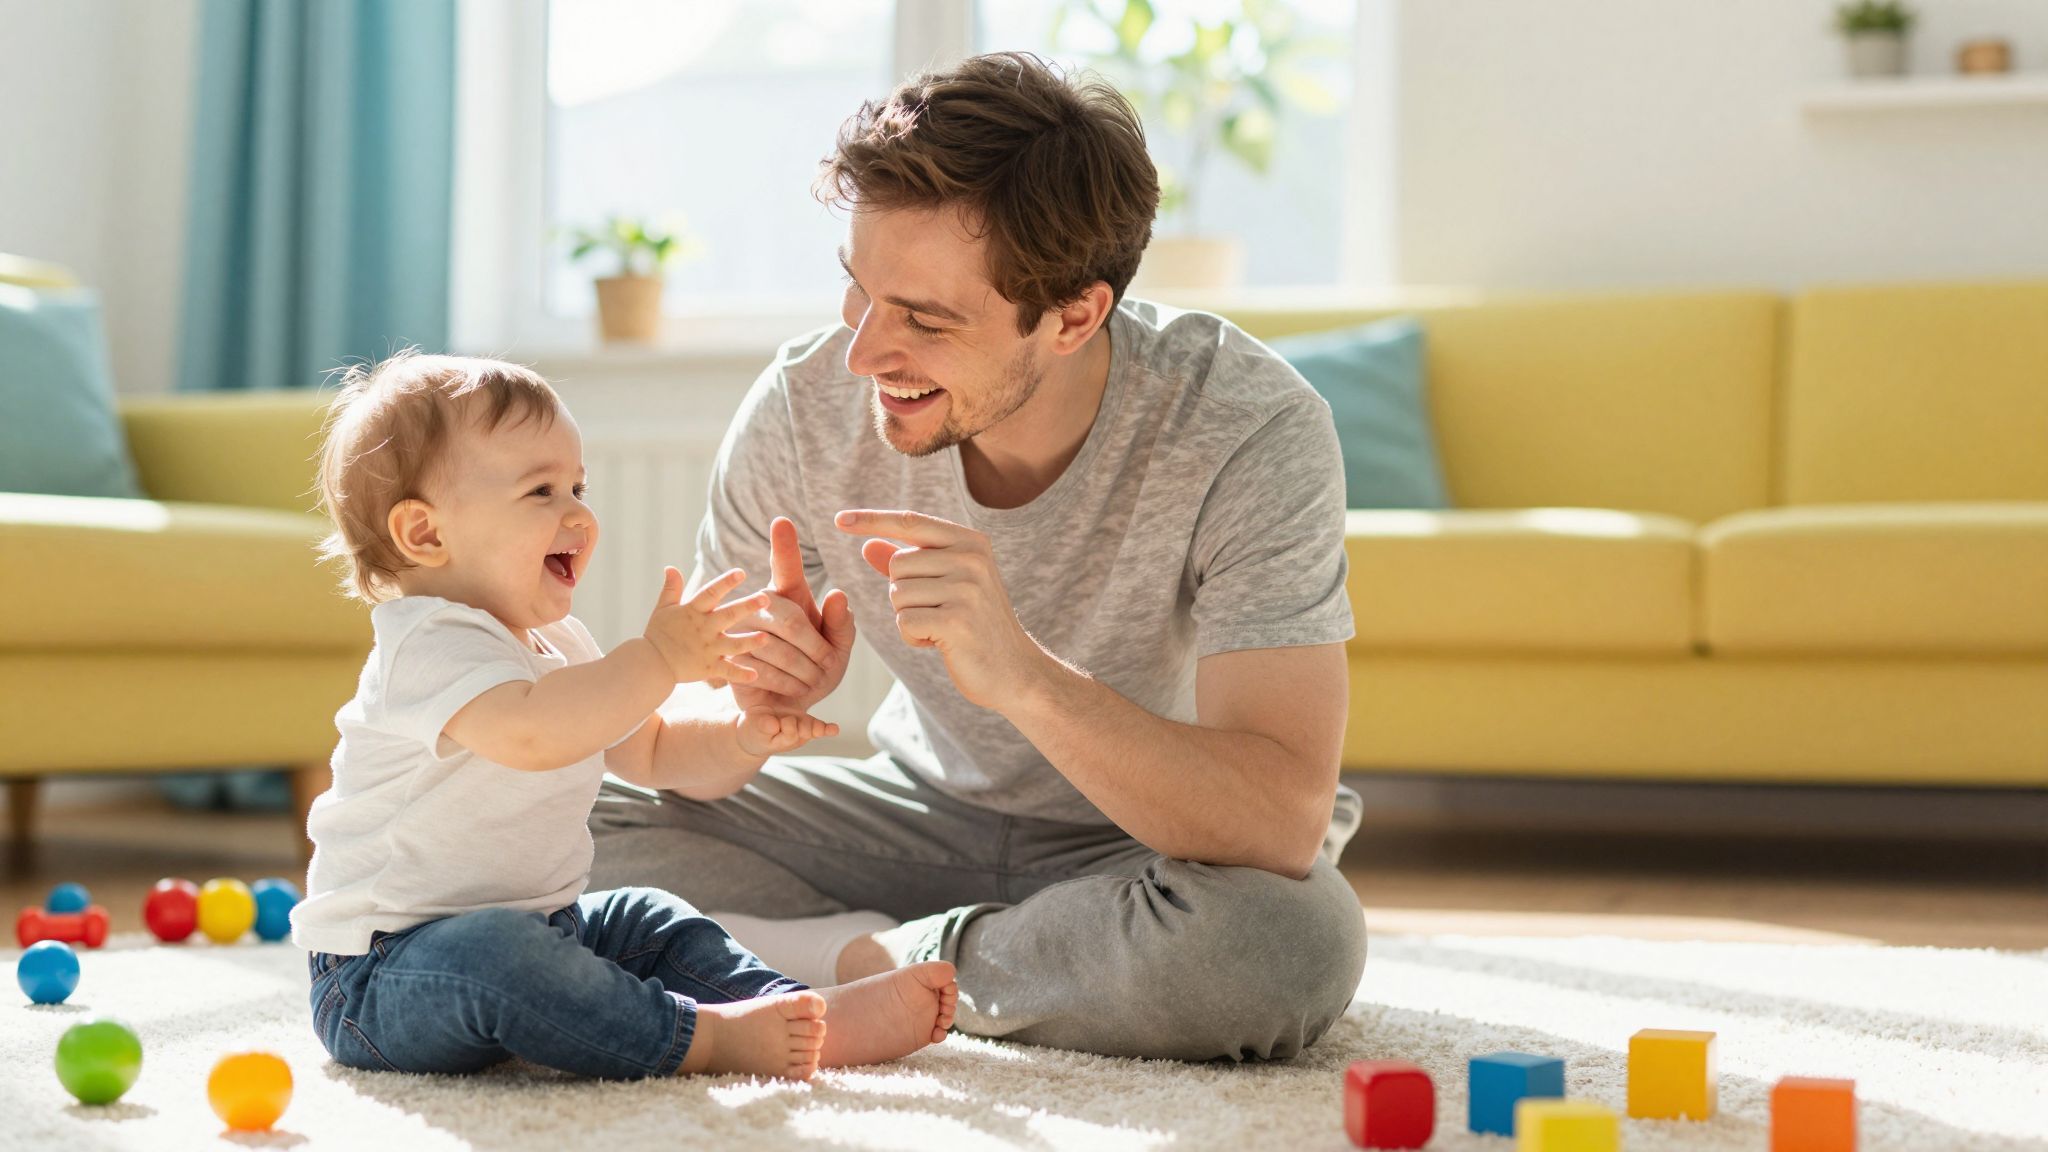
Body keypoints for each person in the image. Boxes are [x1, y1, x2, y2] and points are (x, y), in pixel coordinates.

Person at [591, 52, 1367, 1061]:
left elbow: (1276, 818)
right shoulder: (805, 401)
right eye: (858, 292)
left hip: (1153, 850)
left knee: (1283, 945)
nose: (864, 352)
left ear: (1073, 315)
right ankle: (891, 960)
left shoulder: (1245, 428)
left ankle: (864, 963)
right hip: (912, 817)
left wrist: (1026, 680)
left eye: (923, 318)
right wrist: (742, 712)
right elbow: (666, 732)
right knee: (552, 809)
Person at [292, 352, 956, 1080]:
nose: (578, 513)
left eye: (578, 485)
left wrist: (743, 737)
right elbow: (531, 732)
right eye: (541, 491)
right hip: (383, 977)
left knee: (648, 915)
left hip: (544, 931)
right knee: (497, 954)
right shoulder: (424, 641)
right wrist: (658, 661)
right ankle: (705, 1040)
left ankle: (798, 1011)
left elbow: (656, 753)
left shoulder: (561, 644)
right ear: (425, 534)